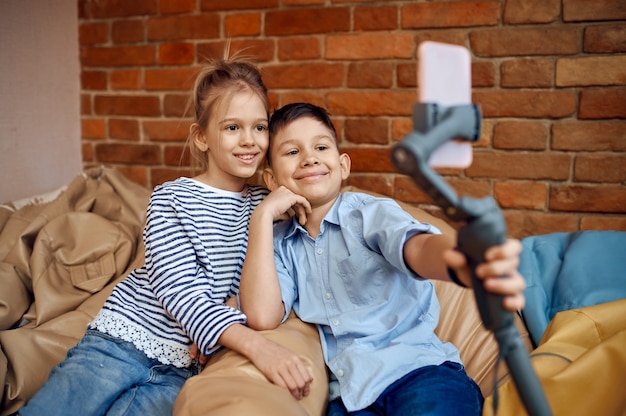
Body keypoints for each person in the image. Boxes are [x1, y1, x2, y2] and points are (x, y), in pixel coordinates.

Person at [19, 58, 313, 416]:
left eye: (260, 127)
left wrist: (229, 311)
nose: (249, 141)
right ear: (201, 137)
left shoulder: (267, 207)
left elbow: (264, 282)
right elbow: (179, 291)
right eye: (232, 127)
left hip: (186, 367)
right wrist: (255, 345)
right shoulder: (171, 198)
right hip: (121, 342)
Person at [239, 102, 527, 415]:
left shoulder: (369, 213)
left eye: (321, 147)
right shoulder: (281, 244)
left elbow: (414, 247)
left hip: (419, 373)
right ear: (270, 179)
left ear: (343, 165)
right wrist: (262, 216)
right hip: (350, 397)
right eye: (292, 152)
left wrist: (459, 262)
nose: (309, 158)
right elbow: (262, 316)